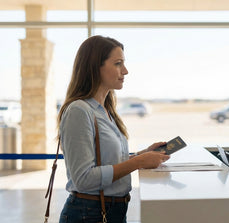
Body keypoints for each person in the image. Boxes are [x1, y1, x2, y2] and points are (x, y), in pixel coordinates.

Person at [57, 35, 170, 223]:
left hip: (113, 211)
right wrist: (138, 162)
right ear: (95, 67)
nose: (125, 71)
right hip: (89, 213)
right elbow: (83, 178)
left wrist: (142, 155)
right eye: (118, 63)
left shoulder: (105, 111)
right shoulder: (79, 110)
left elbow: (107, 163)